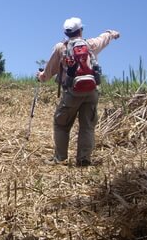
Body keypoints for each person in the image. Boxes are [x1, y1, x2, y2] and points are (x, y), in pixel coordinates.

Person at [37, 17, 120, 166]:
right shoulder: (90, 44)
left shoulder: (61, 48)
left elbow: (47, 74)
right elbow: (104, 38)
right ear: (81, 30)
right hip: (92, 91)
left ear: (65, 33)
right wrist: (111, 33)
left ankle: (60, 158)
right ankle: (84, 160)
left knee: (61, 124)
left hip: (72, 92)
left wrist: (41, 77)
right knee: (87, 126)